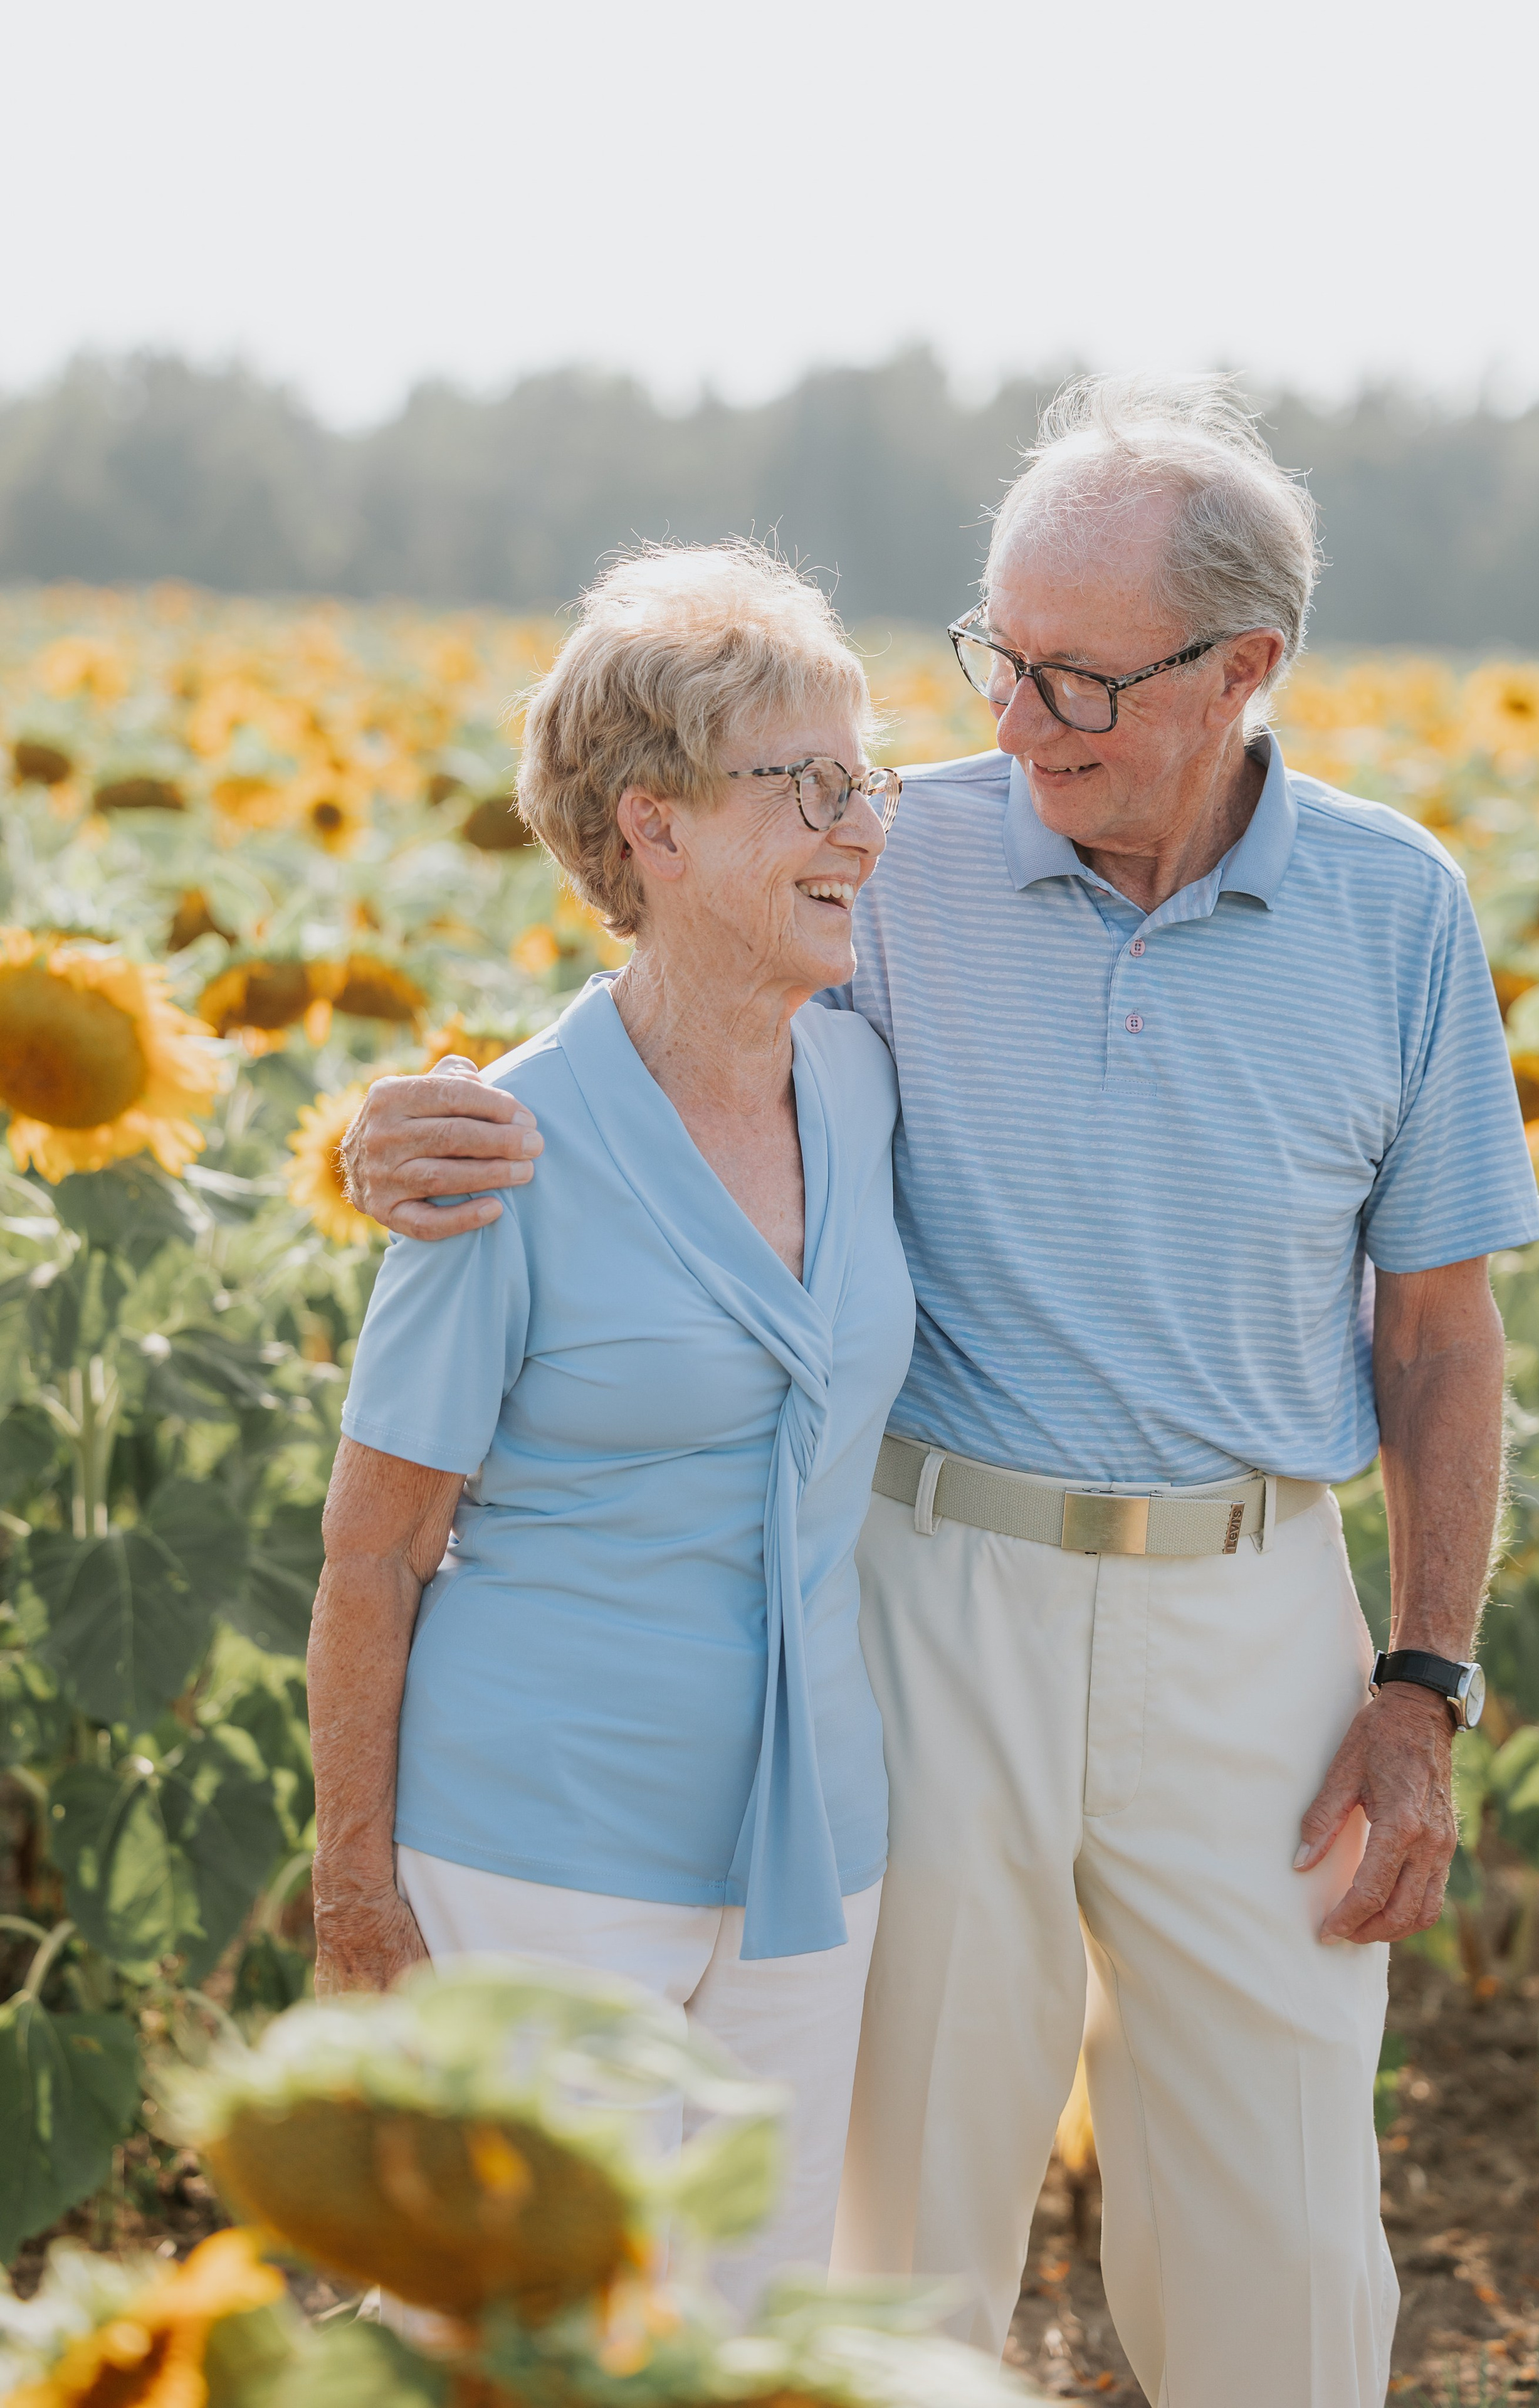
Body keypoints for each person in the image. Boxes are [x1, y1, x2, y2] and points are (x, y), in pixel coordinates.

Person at [339, 379, 1539, 2408]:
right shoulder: (895, 857)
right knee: (897, 2229)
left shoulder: (1396, 909)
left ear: (1249, 667)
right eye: (998, 655)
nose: (1012, 719)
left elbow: (1439, 1333)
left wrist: (1424, 1683)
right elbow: (666, 984)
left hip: (1262, 1621)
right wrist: (393, 1124)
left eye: (1079, 675)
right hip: (929, 1599)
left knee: (1288, 2251)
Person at [307, 543, 911, 2316]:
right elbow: (374, 1543)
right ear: (651, 830)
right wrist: (356, 1899)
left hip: (815, 1853)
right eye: (805, 789)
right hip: (537, 1859)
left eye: (859, 780)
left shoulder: (862, 1081)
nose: (860, 827)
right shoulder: (497, 1147)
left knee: (742, 2327)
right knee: (518, 2334)